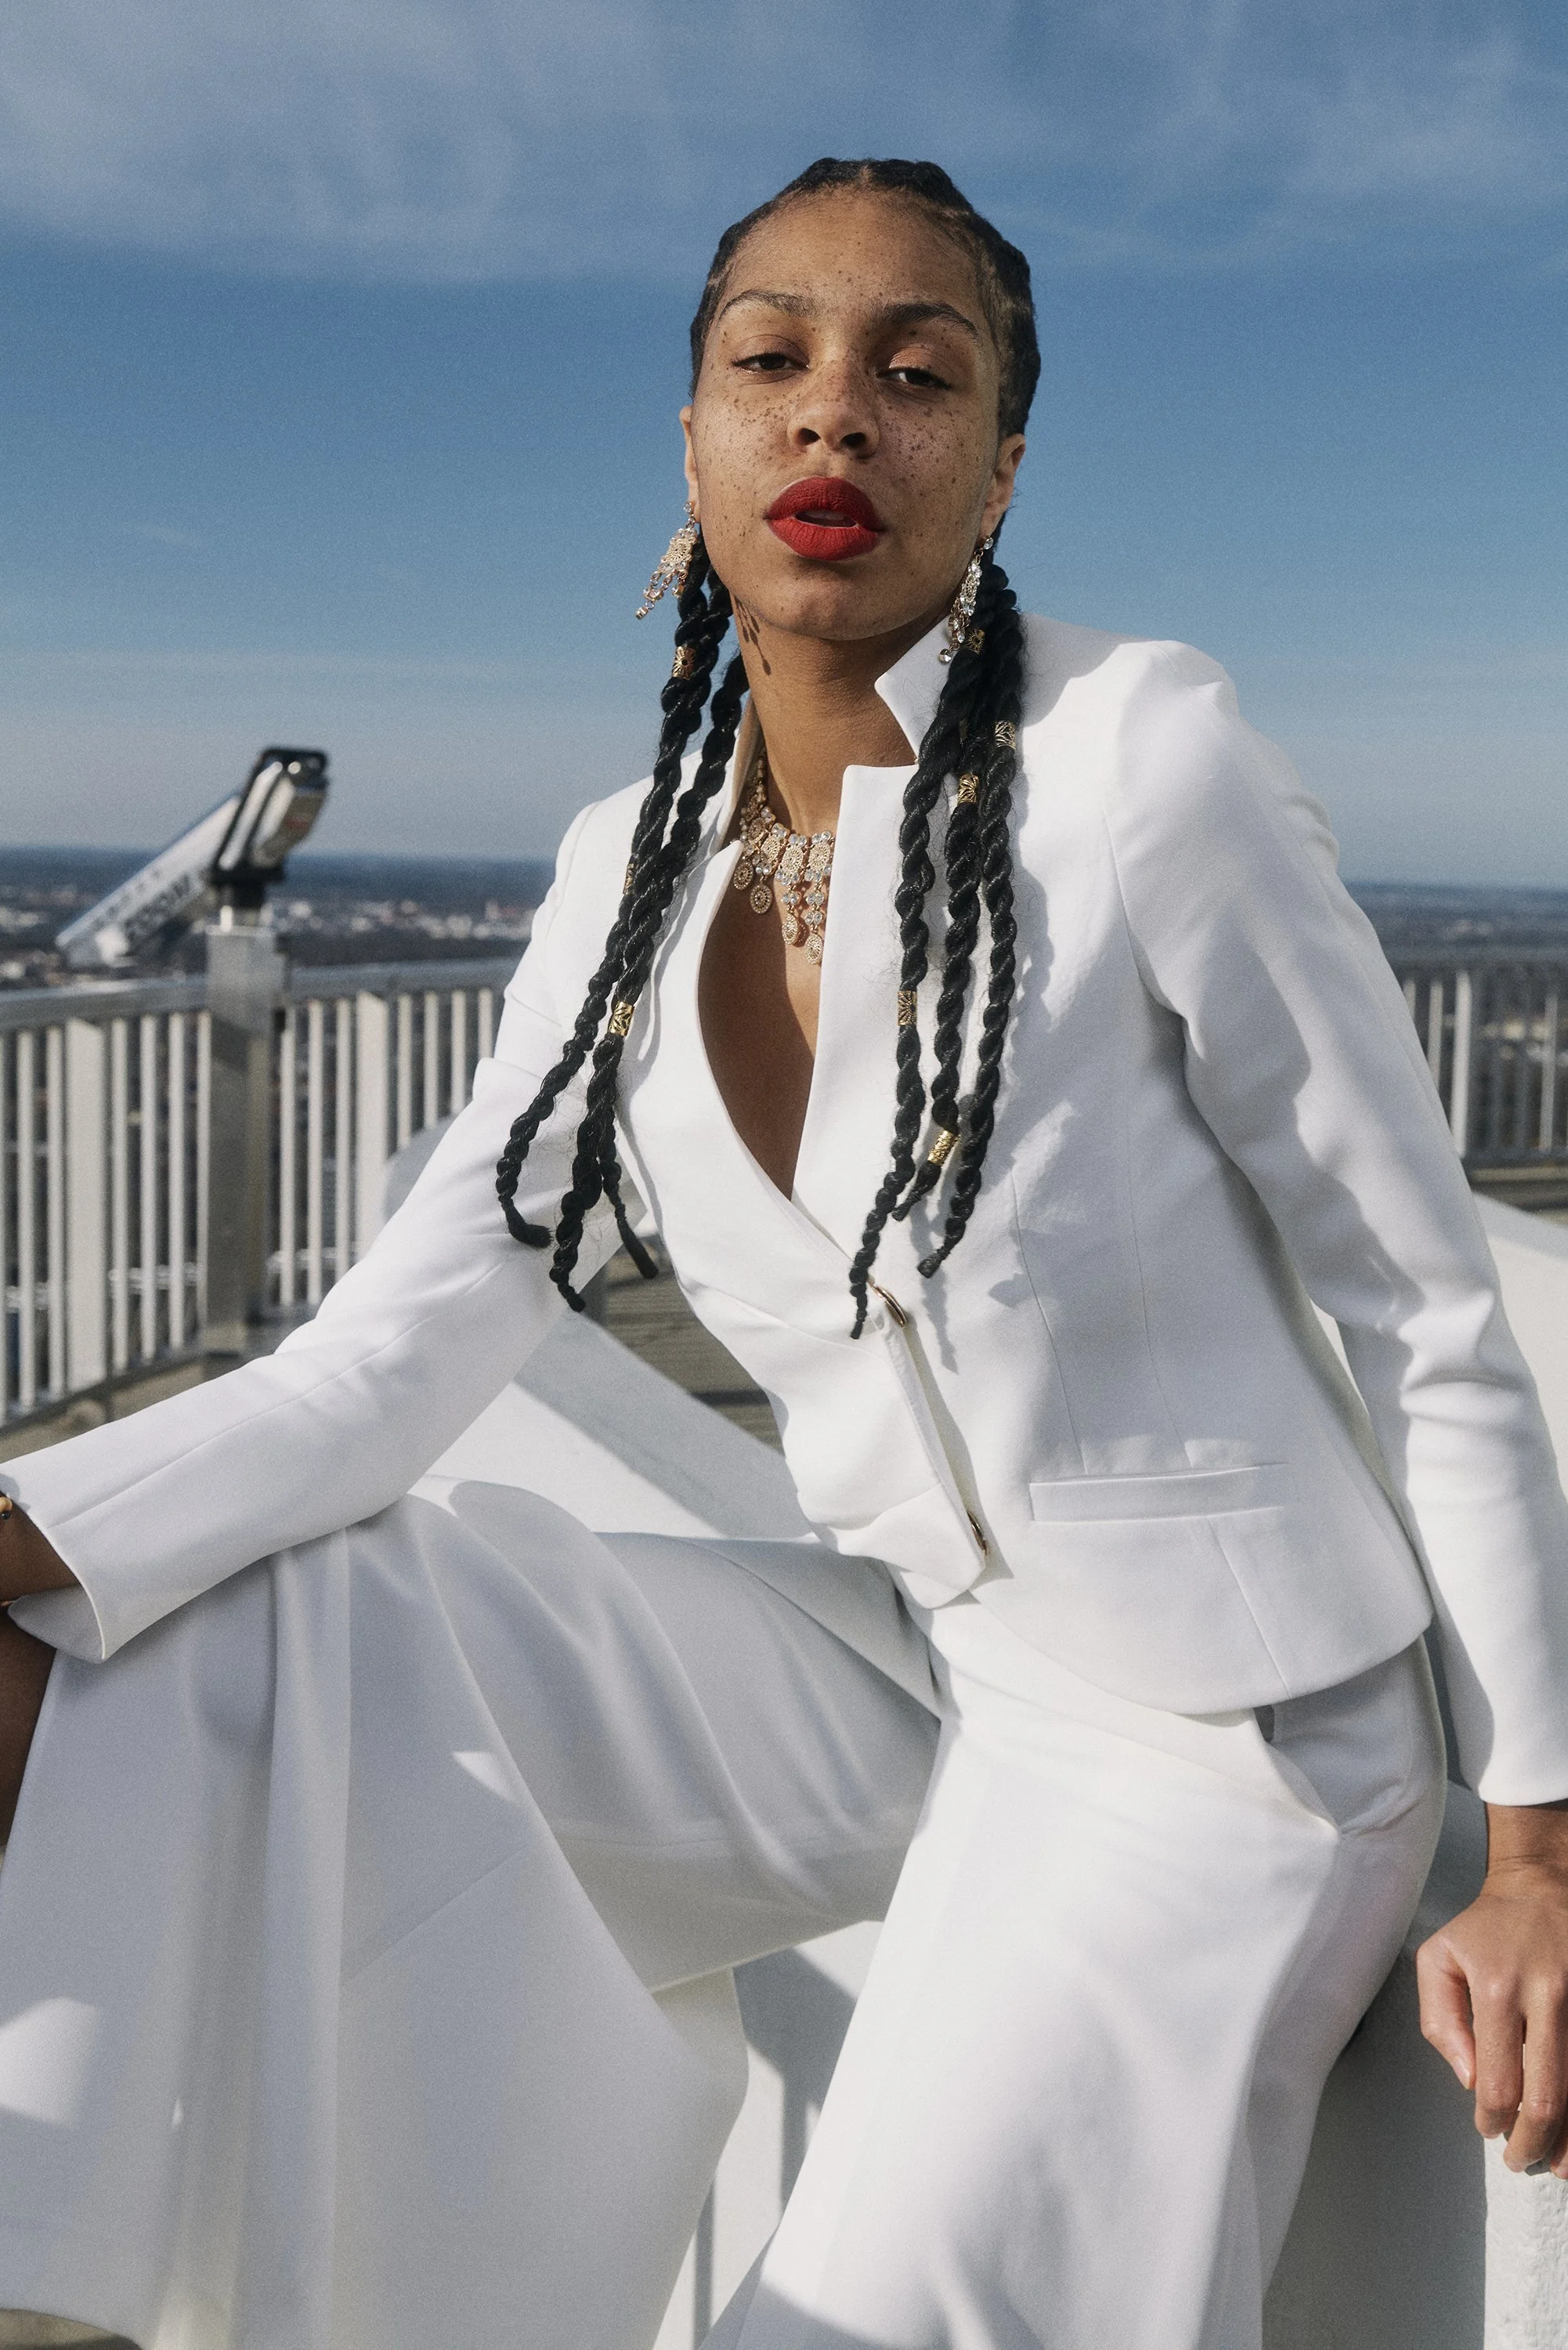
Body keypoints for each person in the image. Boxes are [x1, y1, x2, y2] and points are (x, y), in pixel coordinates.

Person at [2, 155, 1566, 2350]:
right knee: (210, 1641)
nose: (836, 411)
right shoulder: (622, 866)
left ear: (998, 470)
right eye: (774, 359)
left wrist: (1538, 1848)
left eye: (919, 375)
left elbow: (1426, 1314)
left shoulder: (1145, 761)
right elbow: (389, 1362)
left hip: (1232, 1727)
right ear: (697, 443)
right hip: (926, 1653)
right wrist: (25, 1530)